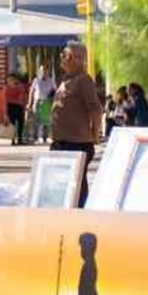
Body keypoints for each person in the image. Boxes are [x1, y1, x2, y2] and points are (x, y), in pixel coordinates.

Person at [50, 41, 104, 206]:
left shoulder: (83, 80)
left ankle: (80, 213)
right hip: (61, 142)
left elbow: (95, 110)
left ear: (78, 59)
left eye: (65, 55)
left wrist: (94, 135)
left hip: (76, 143)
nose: (62, 58)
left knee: (77, 186)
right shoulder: (66, 80)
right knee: (64, 185)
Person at [27, 66, 56, 144]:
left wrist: (53, 99)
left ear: (48, 72)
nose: (44, 72)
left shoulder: (51, 81)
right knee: (36, 120)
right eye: (42, 71)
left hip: (47, 101)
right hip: (37, 101)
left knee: (46, 120)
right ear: (40, 71)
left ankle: (45, 137)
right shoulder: (36, 80)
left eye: (45, 71)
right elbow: (31, 92)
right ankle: (35, 137)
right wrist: (29, 103)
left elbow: (55, 91)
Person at [6, 74, 27, 145]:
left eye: (12, 79)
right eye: (9, 80)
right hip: (11, 106)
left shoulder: (20, 86)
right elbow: (5, 99)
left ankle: (19, 139)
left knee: (20, 122)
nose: (11, 81)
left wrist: (23, 105)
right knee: (13, 124)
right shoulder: (6, 88)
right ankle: (13, 139)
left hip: (18, 106)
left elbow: (22, 96)